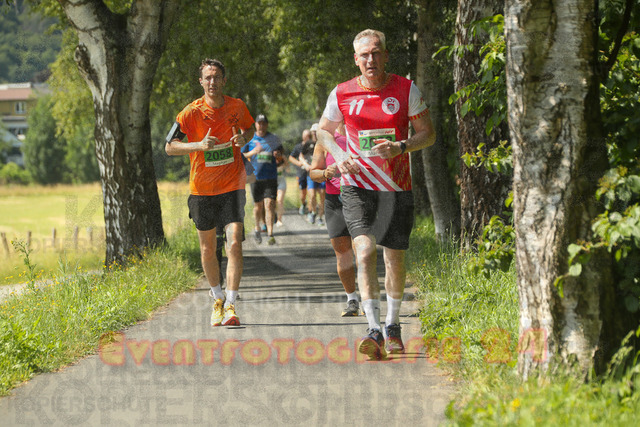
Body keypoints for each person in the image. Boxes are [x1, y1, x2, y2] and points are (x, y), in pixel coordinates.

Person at [318, 29, 436, 359]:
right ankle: (373, 329)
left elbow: (428, 134)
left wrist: (401, 146)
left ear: (385, 55)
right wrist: (339, 156)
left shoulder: (406, 89)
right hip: (356, 186)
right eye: (364, 55)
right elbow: (323, 132)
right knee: (365, 251)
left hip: (396, 187)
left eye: (376, 53)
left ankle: (393, 325)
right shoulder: (342, 92)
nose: (371, 59)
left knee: (394, 259)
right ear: (356, 60)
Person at [165, 58, 254, 327]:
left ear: (224, 81)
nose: (212, 82)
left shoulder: (237, 106)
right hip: (202, 190)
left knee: (234, 243)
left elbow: (249, 128)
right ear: (201, 82)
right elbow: (169, 147)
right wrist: (199, 146)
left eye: (217, 77)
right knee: (208, 248)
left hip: (232, 186)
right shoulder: (190, 112)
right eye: (208, 78)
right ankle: (217, 298)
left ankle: (231, 303)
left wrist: (244, 138)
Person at [309, 123, 360, 316]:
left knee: (361, 251)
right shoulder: (325, 140)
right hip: (334, 201)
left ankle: (369, 299)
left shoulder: (359, 134)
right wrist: (325, 173)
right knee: (343, 254)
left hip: (359, 198)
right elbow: (313, 172)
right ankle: (352, 299)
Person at [241, 114, 283, 246]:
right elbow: (242, 156)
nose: (261, 126)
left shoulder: (273, 138)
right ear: (255, 125)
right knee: (258, 206)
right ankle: (257, 228)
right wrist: (254, 152)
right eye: (259, 123)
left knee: (269, 204)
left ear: (267, 125)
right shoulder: (250, 139)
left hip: (270, 176)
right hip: (255, 177)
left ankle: (270, 234)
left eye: (264, 123)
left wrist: (278, 155)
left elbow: (281, 156)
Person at [299, 123, 326, 225]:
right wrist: (305, 164)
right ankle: (314, 212)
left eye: (316, 131)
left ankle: (320, 217)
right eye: (313, 132)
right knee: (312, 195)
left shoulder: (324, 143)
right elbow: (301, 156)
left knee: (322, 195)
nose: (314, 134)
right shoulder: (308, 143)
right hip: (311, 173)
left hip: (322, 173)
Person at [289, 129, 311, 215]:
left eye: (308, 136)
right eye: (305, 136)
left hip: (310, 172)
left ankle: (310, 210)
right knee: (303, 192)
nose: (307, 138)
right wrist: (298, 163)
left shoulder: (312, 146)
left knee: (311, 191)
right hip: (301, 173)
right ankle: (303, 203)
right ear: (303, 137)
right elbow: (291, 157)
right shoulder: (298, 147)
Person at [275, 147, 288, 227]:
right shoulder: (270, 159)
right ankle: (274, 216)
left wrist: (284, 160)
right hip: (272, 182)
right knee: (273, 202)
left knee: (280, 201)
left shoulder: (282, 159)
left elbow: (288, 170)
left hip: (281, 182)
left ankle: (279, 219)